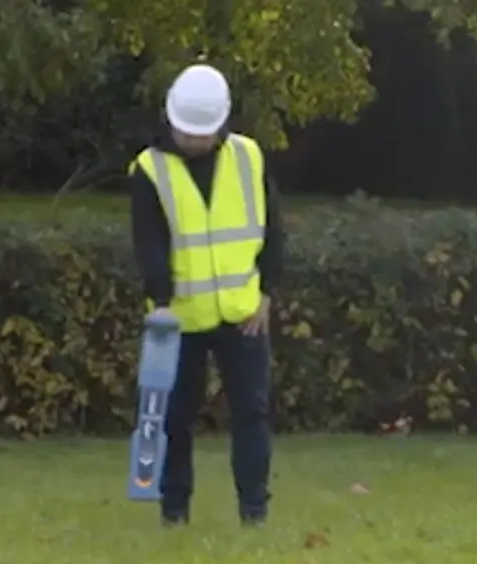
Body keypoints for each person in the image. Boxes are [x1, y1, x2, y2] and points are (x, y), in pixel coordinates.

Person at [127, 63, 285, 527]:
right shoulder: (149, 170)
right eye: (186, 132)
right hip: (179, 318)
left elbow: (273, 230)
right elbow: (149, 242)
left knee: (252, 413)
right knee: (175, 419)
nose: (194, 140)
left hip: (243, 313)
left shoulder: (249, 157)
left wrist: (266, 293)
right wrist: (159, 303)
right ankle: (174, 511)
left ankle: (254, 510)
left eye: (202, 133)